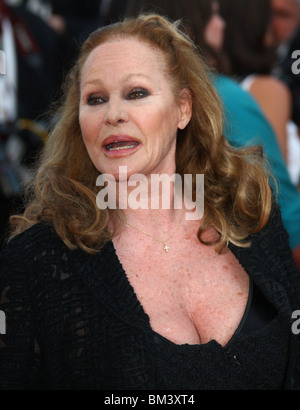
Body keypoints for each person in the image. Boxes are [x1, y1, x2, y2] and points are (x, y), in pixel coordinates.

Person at [0, 13, 299, 390]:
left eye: (136, 93)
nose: (113, 115)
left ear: (183, 109)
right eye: (95, 99)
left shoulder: (250, 217)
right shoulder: (38, 263)